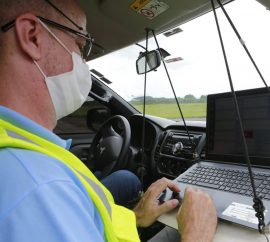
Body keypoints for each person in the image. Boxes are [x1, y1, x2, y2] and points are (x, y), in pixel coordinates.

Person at [0, 0, 217, 241]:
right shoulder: (40, 188)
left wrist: (136, 216)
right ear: (32, 37)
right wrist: (196, 235)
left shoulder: (22, 146)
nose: (84, 63)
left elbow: (91, 222)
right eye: (81, 46)